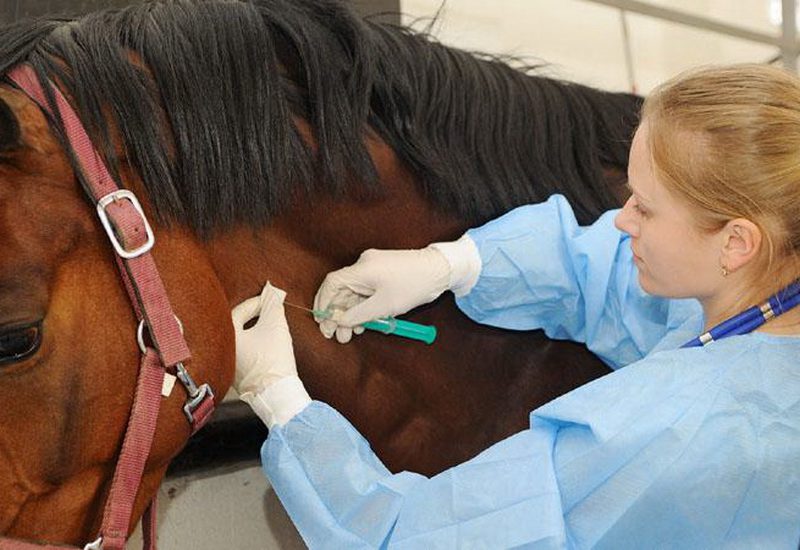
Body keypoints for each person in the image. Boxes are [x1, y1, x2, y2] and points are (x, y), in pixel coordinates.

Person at [230, 64, 800, 548]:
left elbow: (415, 538)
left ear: (736, 243)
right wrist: (451, 264)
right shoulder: (772, 300)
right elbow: (599, 273)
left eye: (645, 209)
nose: (620, 220)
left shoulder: (671, 431)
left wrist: (280, 399)